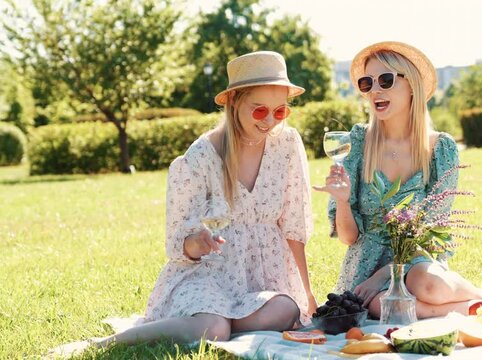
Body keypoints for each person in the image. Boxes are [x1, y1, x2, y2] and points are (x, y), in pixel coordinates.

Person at [50, 51, 317, 356]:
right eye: (259, 111)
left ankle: (219, 322)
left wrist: (306, 292)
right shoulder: (200, 157)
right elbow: (177, 244)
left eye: (280, 112)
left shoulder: (287, 144)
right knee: (213, 329)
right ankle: (104, 344)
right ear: (233, 102)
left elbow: (294, 225)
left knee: (286, 309)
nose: (270, 121)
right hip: (207, 275)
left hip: (261, 278)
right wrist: (197, 243)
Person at [314, 41, 482, 319]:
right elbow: (348, 237)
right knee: (381, 307)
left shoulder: (440, 148)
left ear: (411, 85)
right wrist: (342, 201)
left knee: (427, 286)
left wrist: (388, 273)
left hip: (416, 262)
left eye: (385, 80)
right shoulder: (357, 143)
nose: (375, 91)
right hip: (365, 270)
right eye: (366, 83)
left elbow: (432, 236)